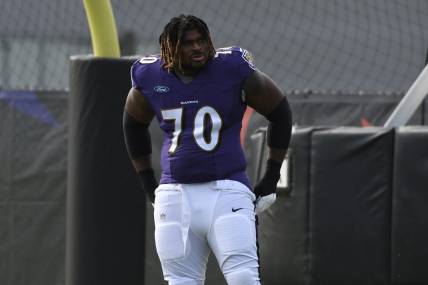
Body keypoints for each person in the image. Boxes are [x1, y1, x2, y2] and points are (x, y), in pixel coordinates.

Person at [123, 14, 292, 285]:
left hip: (226, 192)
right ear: (170, 48)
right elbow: (132, 125)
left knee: (244, 279)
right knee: (181, 281)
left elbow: (280, 112)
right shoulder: (151, 76)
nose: (197, 48)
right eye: (188, 43)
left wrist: (271, 177)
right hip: (175, 195)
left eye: (201, 40)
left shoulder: (232, 69)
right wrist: (148, 184)